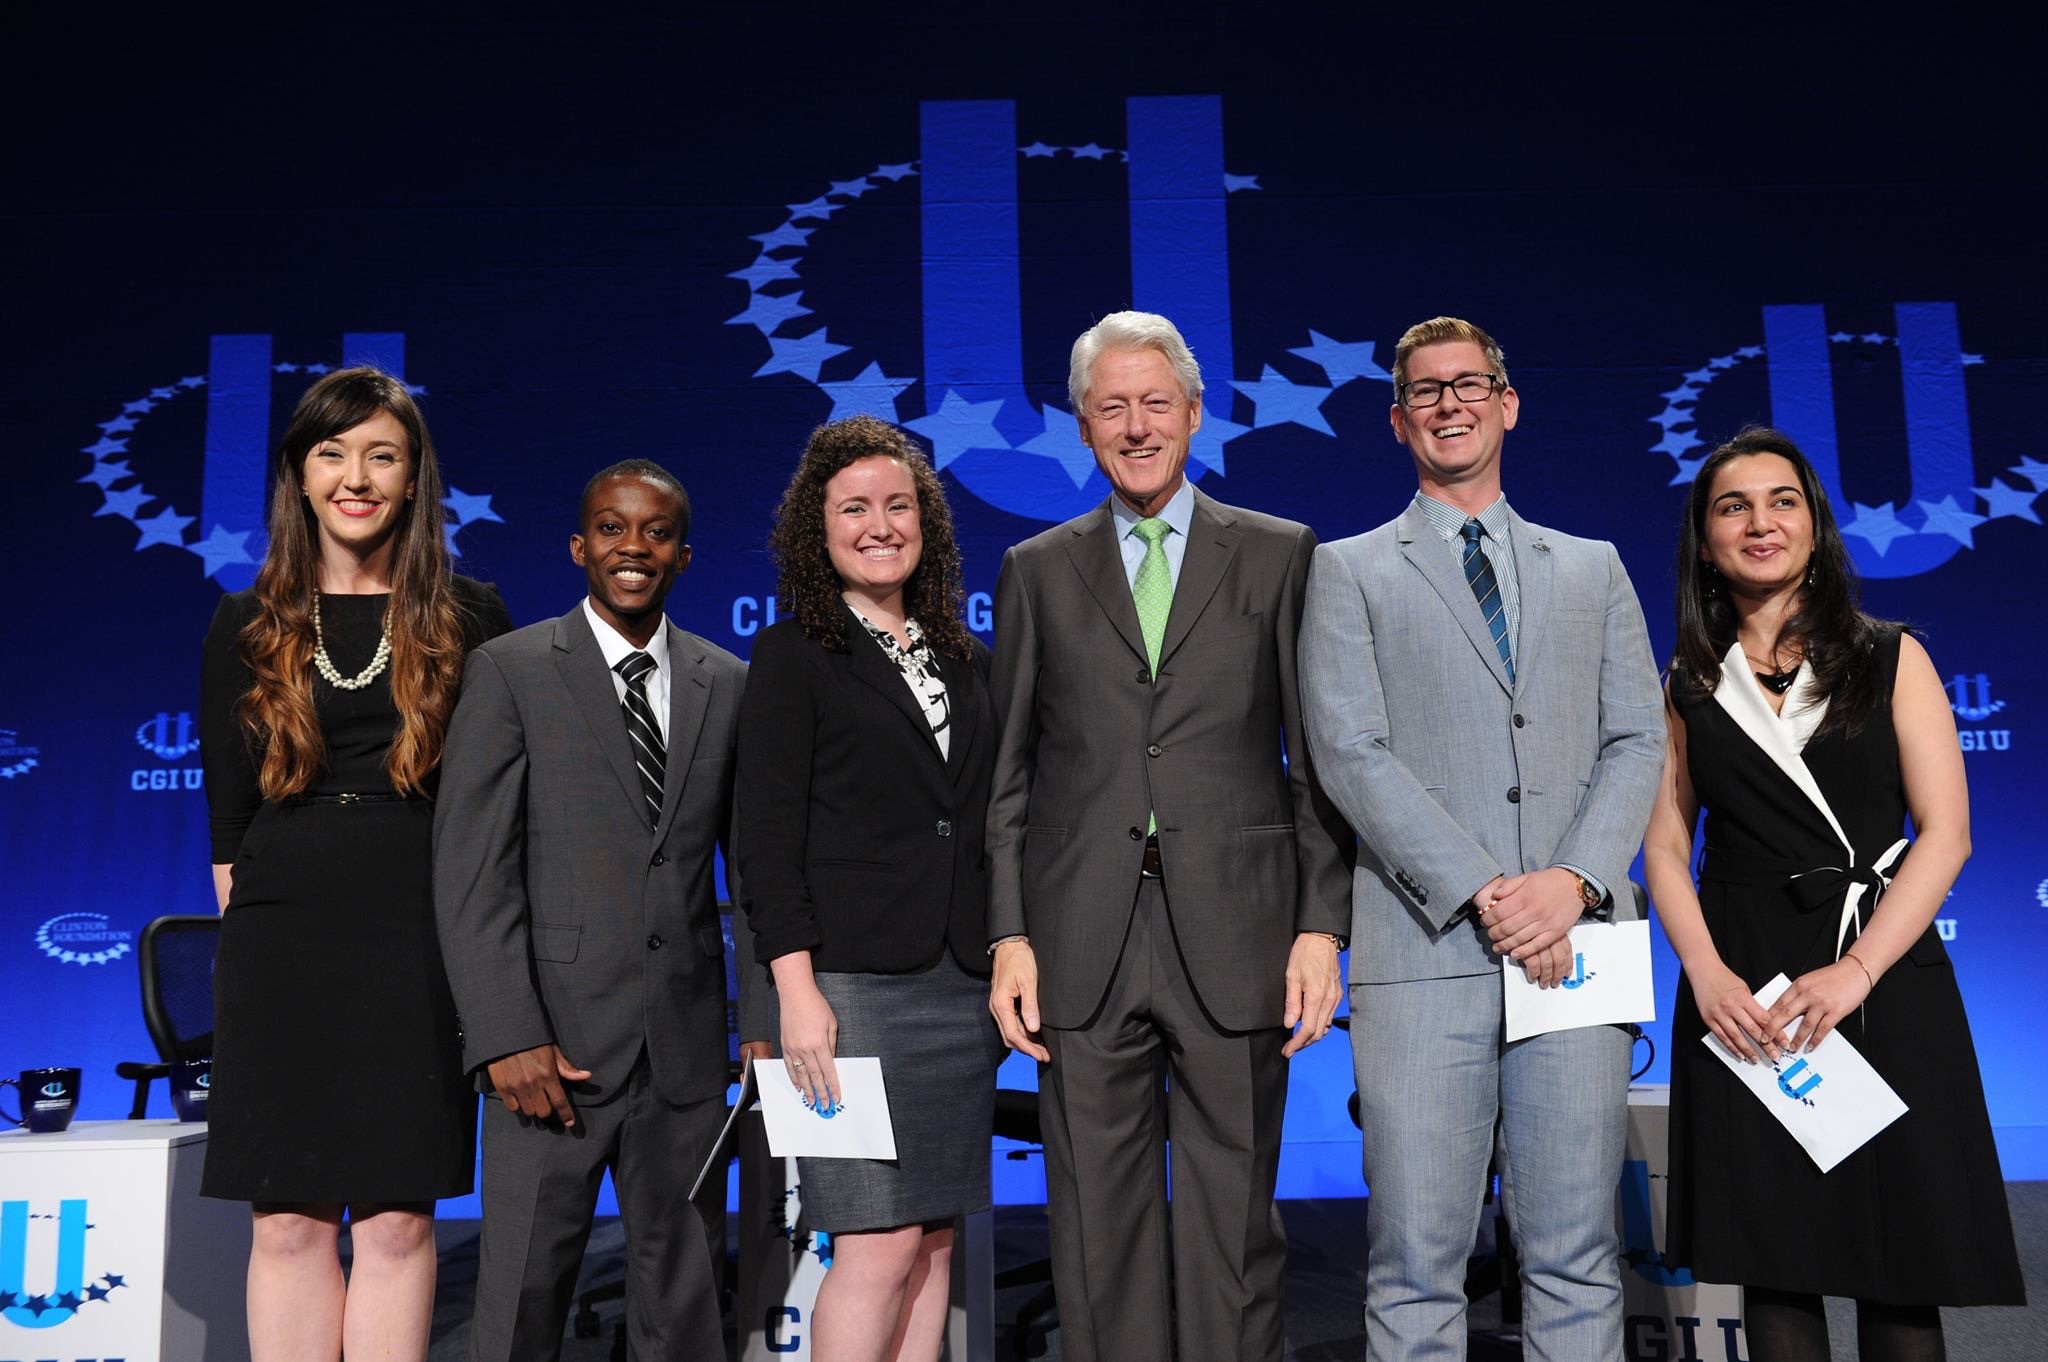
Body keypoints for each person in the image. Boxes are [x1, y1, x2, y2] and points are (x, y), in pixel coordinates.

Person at [985, 310, 1353, 1362]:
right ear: (1080, 425)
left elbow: (1315, 759)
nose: (1136, 426)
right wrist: (1010, 932)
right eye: (1112, 408)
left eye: (1155, 403)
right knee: (1095, 1234)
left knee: (1235, 1229)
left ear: (1193, 414)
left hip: (1238, 933)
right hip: (1078, 940)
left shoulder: (1279, 554)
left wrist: (1319, 926)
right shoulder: (1036, 570)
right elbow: (1007, 778)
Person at [1298, 316, 1664, 1361]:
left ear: (1507, 403)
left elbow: (1636, 736)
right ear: (1395, 420)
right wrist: (1489, 892)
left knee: (1575, 1251)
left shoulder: (1590, 569)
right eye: (1424, 391)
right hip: (1425, 953)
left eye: (1469, 384)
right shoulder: (1348, 570)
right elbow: (1349, 751)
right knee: (1415, 1261)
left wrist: (1573, 880)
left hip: (1574, 946)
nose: (1448, 403)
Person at [1643, 427, 2025, 1360]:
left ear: (1815, 525)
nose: (1759, 523)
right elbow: (1660, 841)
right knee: (1776, 1261)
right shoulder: (1691, 684)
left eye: (1782, 501)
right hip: (1746, 993)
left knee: (1901, 1271)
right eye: (1733, 506)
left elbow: (1948, 834)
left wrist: (1856, 971)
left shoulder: (1891, 656)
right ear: (1704, 539)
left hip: (1881, 970)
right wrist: (1708, 975)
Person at [198, 366, 513, 1362]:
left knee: (395, 1219)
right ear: (298, 475)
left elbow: (508, 806)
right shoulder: (242, 624)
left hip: (419, 938)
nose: (356, 477)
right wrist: (261, 956)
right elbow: (228, 830)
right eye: (332, 453)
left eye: (382, 454)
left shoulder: (471, 617)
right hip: (282, 944)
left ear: (415, 478)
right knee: (286, 1220)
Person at [432, 460, 754, 1361]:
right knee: (521, 1305)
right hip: (550, 1055)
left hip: (686, 1053)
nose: (633, 549)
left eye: (655, 533)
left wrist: (757, 1029)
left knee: (686, 1306)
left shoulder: (725, 680)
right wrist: (502, 1035)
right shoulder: (511, 670)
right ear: (581, 547)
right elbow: (472, 872)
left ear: (684, 556)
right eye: (613, 529)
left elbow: (755, 874)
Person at [737, 415, 1005, 1362]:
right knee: (875, 1242)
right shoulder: (792, 656)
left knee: (932, 1239)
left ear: (926, 521)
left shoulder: (964, 657)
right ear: (819, 529)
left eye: (899, 505)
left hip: (956, 986)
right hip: (846, 993)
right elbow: (763, 842)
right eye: (855, 509)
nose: (879, 524)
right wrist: (795, 993)